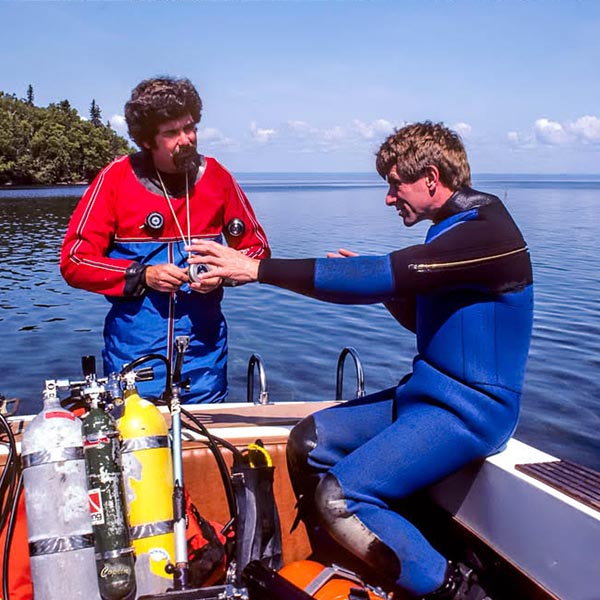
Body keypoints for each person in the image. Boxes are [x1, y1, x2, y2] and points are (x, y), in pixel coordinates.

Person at [185, 122, 534, 599]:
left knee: (340, 497)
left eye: (395, 185)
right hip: (424, 397)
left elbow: (377, 273)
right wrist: (394, 294)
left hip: (471, 413)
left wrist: (257, 268)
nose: (390, 199)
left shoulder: (486, 232)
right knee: (310, 443)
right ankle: (353, 566)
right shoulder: (450, 231)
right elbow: (441, 327)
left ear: (431, 178)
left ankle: (457, 589)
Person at [60, 77, 270, 403]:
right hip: (134, 353)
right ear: (147, 140)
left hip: (204, 354)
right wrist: (142, 275)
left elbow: (256, 251)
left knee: (204, 444)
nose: (186, 140)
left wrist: (223, 274)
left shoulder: (218, 179)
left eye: (190, 128)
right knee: (138, 443)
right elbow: (74, 261)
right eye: (171, 133)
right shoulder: (115, 179)